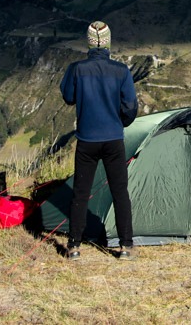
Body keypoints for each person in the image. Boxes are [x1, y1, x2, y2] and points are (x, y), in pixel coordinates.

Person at [59, 20, 139, 261]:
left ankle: (73, 246)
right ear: (108, 43)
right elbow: (130, 107)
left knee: (80, 193)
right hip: (113, 139)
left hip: (87, 139)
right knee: (120, 192)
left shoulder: (77, 69)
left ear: (89, 43)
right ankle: (125, 245)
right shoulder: (121, 71)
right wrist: (119, 123)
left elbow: (68, 97)